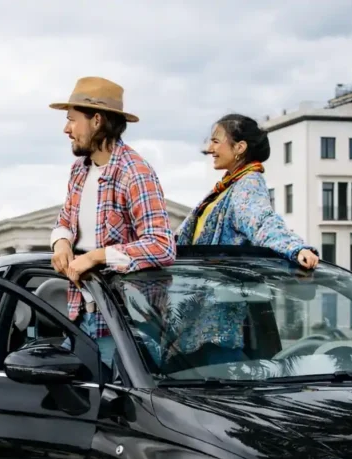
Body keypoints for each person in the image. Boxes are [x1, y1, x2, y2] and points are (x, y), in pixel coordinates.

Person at [168, 114, 319, 367]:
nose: (210, 149)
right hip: (199, 317)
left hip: (219, 322)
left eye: (216, 141)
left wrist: (294, 248)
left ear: (239, 148)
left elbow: (261, 220)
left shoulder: (247, 184)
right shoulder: (229, 185)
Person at [47, 77, 176, 366]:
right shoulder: (79, 171)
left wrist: (95, 257)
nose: (66, 129)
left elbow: (162, 246)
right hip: (79, 317)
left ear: (96, 121)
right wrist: (61, 242)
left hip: (126, 330)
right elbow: (65, 219)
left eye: (72, 120)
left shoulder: (135, 173)